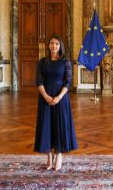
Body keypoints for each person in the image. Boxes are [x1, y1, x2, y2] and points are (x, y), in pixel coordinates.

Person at [34, 36, 78, 171]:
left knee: (60, 126)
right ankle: (49, 156)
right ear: (48, 46)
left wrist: (58, 97)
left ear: (60, 46)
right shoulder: (42, 62)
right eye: (52, 43)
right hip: (45, 98)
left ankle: (59, 154)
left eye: (57, 43)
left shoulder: (65, 62)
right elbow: (39, 81)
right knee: (46, 126)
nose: (54, 46)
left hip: (61, 98)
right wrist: (46, 96)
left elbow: (68, 82)